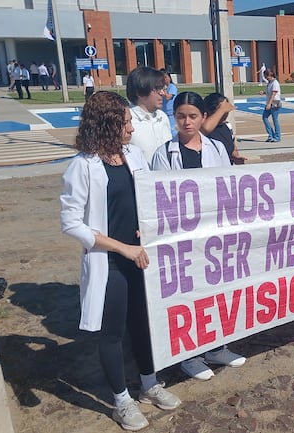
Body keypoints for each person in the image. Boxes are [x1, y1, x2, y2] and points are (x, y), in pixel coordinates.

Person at [60, 91, 182, 431]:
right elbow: (71, 223)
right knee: (113, 332)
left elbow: (147, 198)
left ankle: (149, 384)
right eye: (126, 123)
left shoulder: (133, 155)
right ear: (108, 126)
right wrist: (122, 247)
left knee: (144, 323)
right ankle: (121, 400)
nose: (131, 128)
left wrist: (147, 230)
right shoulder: (82, 167)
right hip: (109, 260)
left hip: (140, 256)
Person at [150, 92, 248, 380]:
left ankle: (217, 347)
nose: (187, 122)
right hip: (182, 239)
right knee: (187, 298)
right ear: (174, 118)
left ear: (203, 118)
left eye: (193, 116)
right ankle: (189, 356)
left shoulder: (216, 148)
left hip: (214, 235)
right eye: (181, 116)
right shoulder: (163, 153)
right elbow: (159, 200)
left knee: (217, 293)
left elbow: (229, 188)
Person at [126, 66, 172, 164]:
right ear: (140, 92)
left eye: (163, 88)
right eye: (158, 89)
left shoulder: (162, 117)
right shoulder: (127, 122)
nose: (163, 93)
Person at [202, 92, 247, 165]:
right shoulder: (202, 128)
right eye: (223, 111)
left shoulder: (227, 126)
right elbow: (205, 129)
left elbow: (233, 151)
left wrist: (236, 159)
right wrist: (221, 109)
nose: (225, 114)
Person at [260, 69, 281, 142]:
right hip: (269, 103)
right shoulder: (269, 83)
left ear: (270, 75)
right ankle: (271, 135)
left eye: (266, 76)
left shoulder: (275, 83)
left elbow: (273, 94)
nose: (265, 78)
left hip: (274, 103)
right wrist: (264, 92)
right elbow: (269, 92)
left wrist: (269, 104)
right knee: (264, 118)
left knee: (275, 120)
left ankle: (277, 137)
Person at [160, 69, 178, 137]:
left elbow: (168, 97)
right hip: (163, 113)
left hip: (171, 114)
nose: (164, 79)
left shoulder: (172, 87)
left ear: (169, 77)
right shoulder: (161, 87)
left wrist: (164, 90)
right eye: (162, 78)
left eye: (165, 77)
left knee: (173, 131)